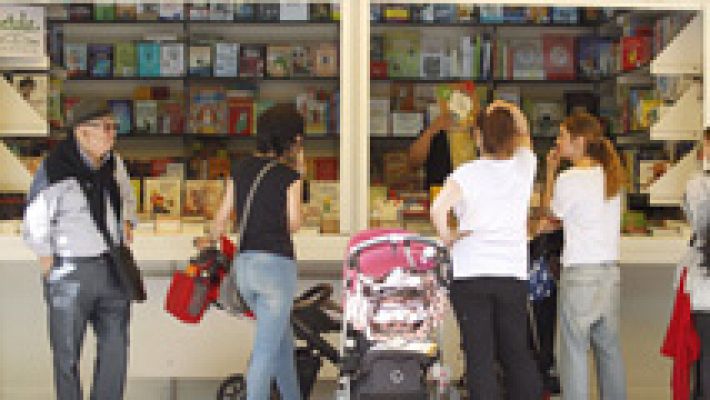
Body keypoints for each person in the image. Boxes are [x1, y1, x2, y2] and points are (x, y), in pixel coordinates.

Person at [22, 102, 137, 400]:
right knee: (66, 354)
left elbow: (126, 196)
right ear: (82, 133)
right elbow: (35, 216)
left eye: (114, 127)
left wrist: (126, 221)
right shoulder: (55, 167)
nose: (113, 135)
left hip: (111, 265)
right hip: (70, 268)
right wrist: (49, 264)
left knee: (116, 349)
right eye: (106, 128)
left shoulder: (115, 163)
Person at [430, 100, 543, 399]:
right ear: (512, 137)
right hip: (511, 275)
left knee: (479, 357)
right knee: (516, 353)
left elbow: (438, 210)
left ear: (478, 136)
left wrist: (449, 236)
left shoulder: (465, 174)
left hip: (470, 275)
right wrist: (507, 107)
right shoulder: (524, 167)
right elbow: (526, 133)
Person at [209, 103, 305, 400]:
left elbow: (220, 219)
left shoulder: (240, 169)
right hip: (275, 270)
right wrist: (300, 173)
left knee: (282, 347)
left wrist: (210, 239)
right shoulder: (289, 177)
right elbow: (294, 224)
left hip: (245, 268)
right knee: (264, 355)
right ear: (291, 140)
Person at [542, 111, 627, 400]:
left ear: (579, 141)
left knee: (574, 353)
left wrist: (550, 171)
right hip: (610, 274)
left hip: (580, 275)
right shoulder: (611, 176)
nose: (557, 141)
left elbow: (550, 214)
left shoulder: (570, 178)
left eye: (562, 136)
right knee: (609, 351)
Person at [680, 127, 710, 399]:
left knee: (703, 361)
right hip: (703, 284)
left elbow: (700, 223)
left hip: (705, 288)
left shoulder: (698, 184)